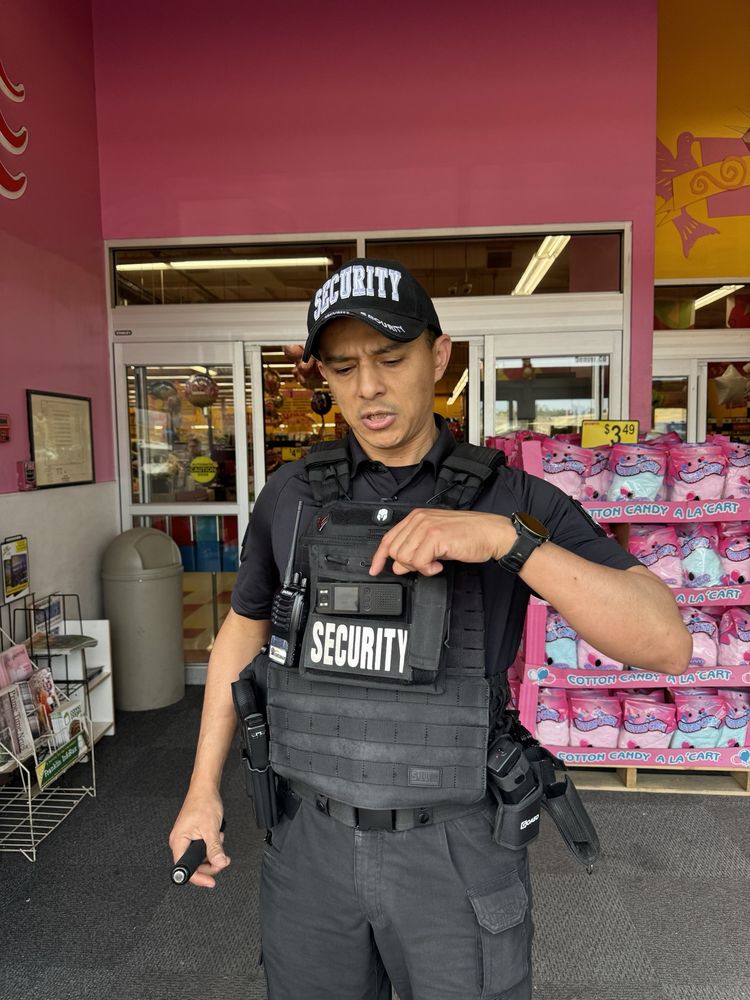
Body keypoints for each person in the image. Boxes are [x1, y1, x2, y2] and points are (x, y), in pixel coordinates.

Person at [170, 258, 692, 1000]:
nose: (368, 387)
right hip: (310, 842)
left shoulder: (512, 497)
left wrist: (506, 541)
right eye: (344, 367)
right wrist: (201, 792)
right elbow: (242, 632)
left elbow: (665, 643)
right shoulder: (290, 494)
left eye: (390, 359)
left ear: (439, 356)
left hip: (454, 849)